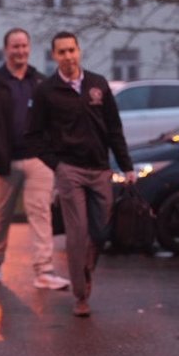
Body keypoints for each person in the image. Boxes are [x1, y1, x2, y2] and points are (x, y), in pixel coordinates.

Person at [25, 31, 132, 318]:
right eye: (62, 52)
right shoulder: (46, 91)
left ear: (79, 51)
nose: (68, 56)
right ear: (54, 56)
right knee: (77, 233)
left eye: (72, 50)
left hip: (100, 170)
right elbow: (33, 136)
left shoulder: (98, 84)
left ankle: (85, 270)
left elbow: (114, 129)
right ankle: (81, 295)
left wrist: (127, 166)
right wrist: (56, 165)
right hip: (69, 171)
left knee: (100, 232)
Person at [0, 29, 70, 290]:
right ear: (6, 50)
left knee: (41, 214)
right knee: (1, 216)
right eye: (15, 46)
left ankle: (44, 271)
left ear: (29, 48)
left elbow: (55, 119)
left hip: (37, 160)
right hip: (2, 162)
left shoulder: (40, 82)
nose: (20, 51)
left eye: (24, 46)